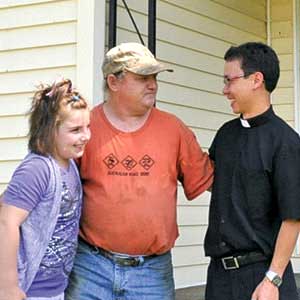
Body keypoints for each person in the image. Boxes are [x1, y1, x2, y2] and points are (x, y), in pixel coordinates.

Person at [65, 42, 214, 300]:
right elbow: (55, 187)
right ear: (113, 82)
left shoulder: (173, 129)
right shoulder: (85, 129)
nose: (153, 85)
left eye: (154, 77)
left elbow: (211, 181)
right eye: (143, 77)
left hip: (152, 274)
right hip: (90, 266)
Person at [204, 42, 300, 300]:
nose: (225, 90)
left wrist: (273, 279)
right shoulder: (225, 134)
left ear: (256, 79)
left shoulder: (286, 143)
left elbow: (293, 218)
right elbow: (214, 180)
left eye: (229, 80)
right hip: (219, 278)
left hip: (263, 278)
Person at [0, 78, 91, 300]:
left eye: (88, 127)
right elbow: (6, 222)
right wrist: (8, 286)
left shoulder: (69, 164)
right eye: (76, 129)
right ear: (49, 130)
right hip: (28, 289)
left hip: (54, 288)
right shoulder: (38, 169)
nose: (86, 136)